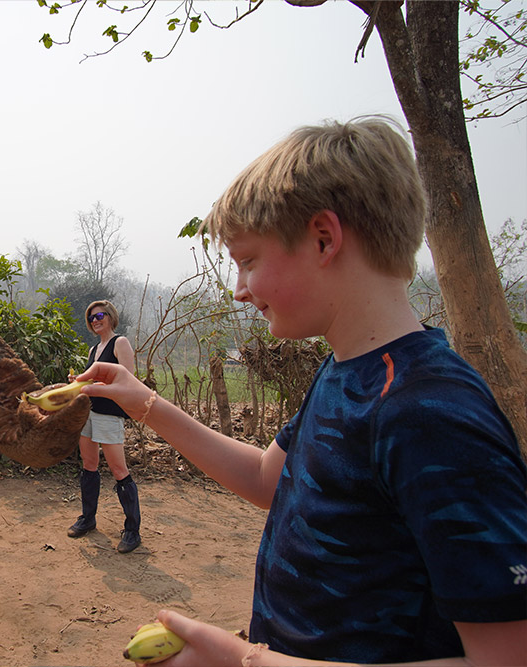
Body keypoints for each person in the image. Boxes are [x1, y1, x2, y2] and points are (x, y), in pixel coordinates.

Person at [77, 118, 527, 665]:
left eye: (247, 262)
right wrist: (142, 401)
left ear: (323, 238)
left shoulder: (430, 414)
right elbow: (269, 479)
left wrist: (250, 662)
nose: (239, 290)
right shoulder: (346, 369)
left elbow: (505, 656)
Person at [66, 300, 143, 553]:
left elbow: (127, 380)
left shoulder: (119, 343)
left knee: (119, 469)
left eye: (99, 315)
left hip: (109, 415)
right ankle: (88, 518)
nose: (95, 320)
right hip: (88, 413)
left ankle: (132, 531)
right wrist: (78, 381)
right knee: (89, 465)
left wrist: (94, 385)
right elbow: (95, 379)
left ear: (110, 316)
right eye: (91, 318)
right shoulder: (93, 349)